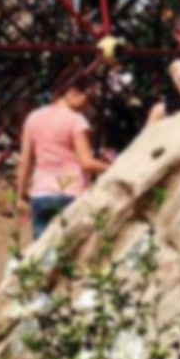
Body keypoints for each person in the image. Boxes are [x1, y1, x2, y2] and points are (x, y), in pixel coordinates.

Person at [15, 75, 111, 240]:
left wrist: (20, 195)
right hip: (71, 193)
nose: (87, 105)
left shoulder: (33, 118)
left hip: (41, 192)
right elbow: (87, 163)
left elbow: (25, 161)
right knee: (68, 253)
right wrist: (113, 168)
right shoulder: (77, 121)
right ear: (73, 92)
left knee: (41, 253)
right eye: (87, 97)